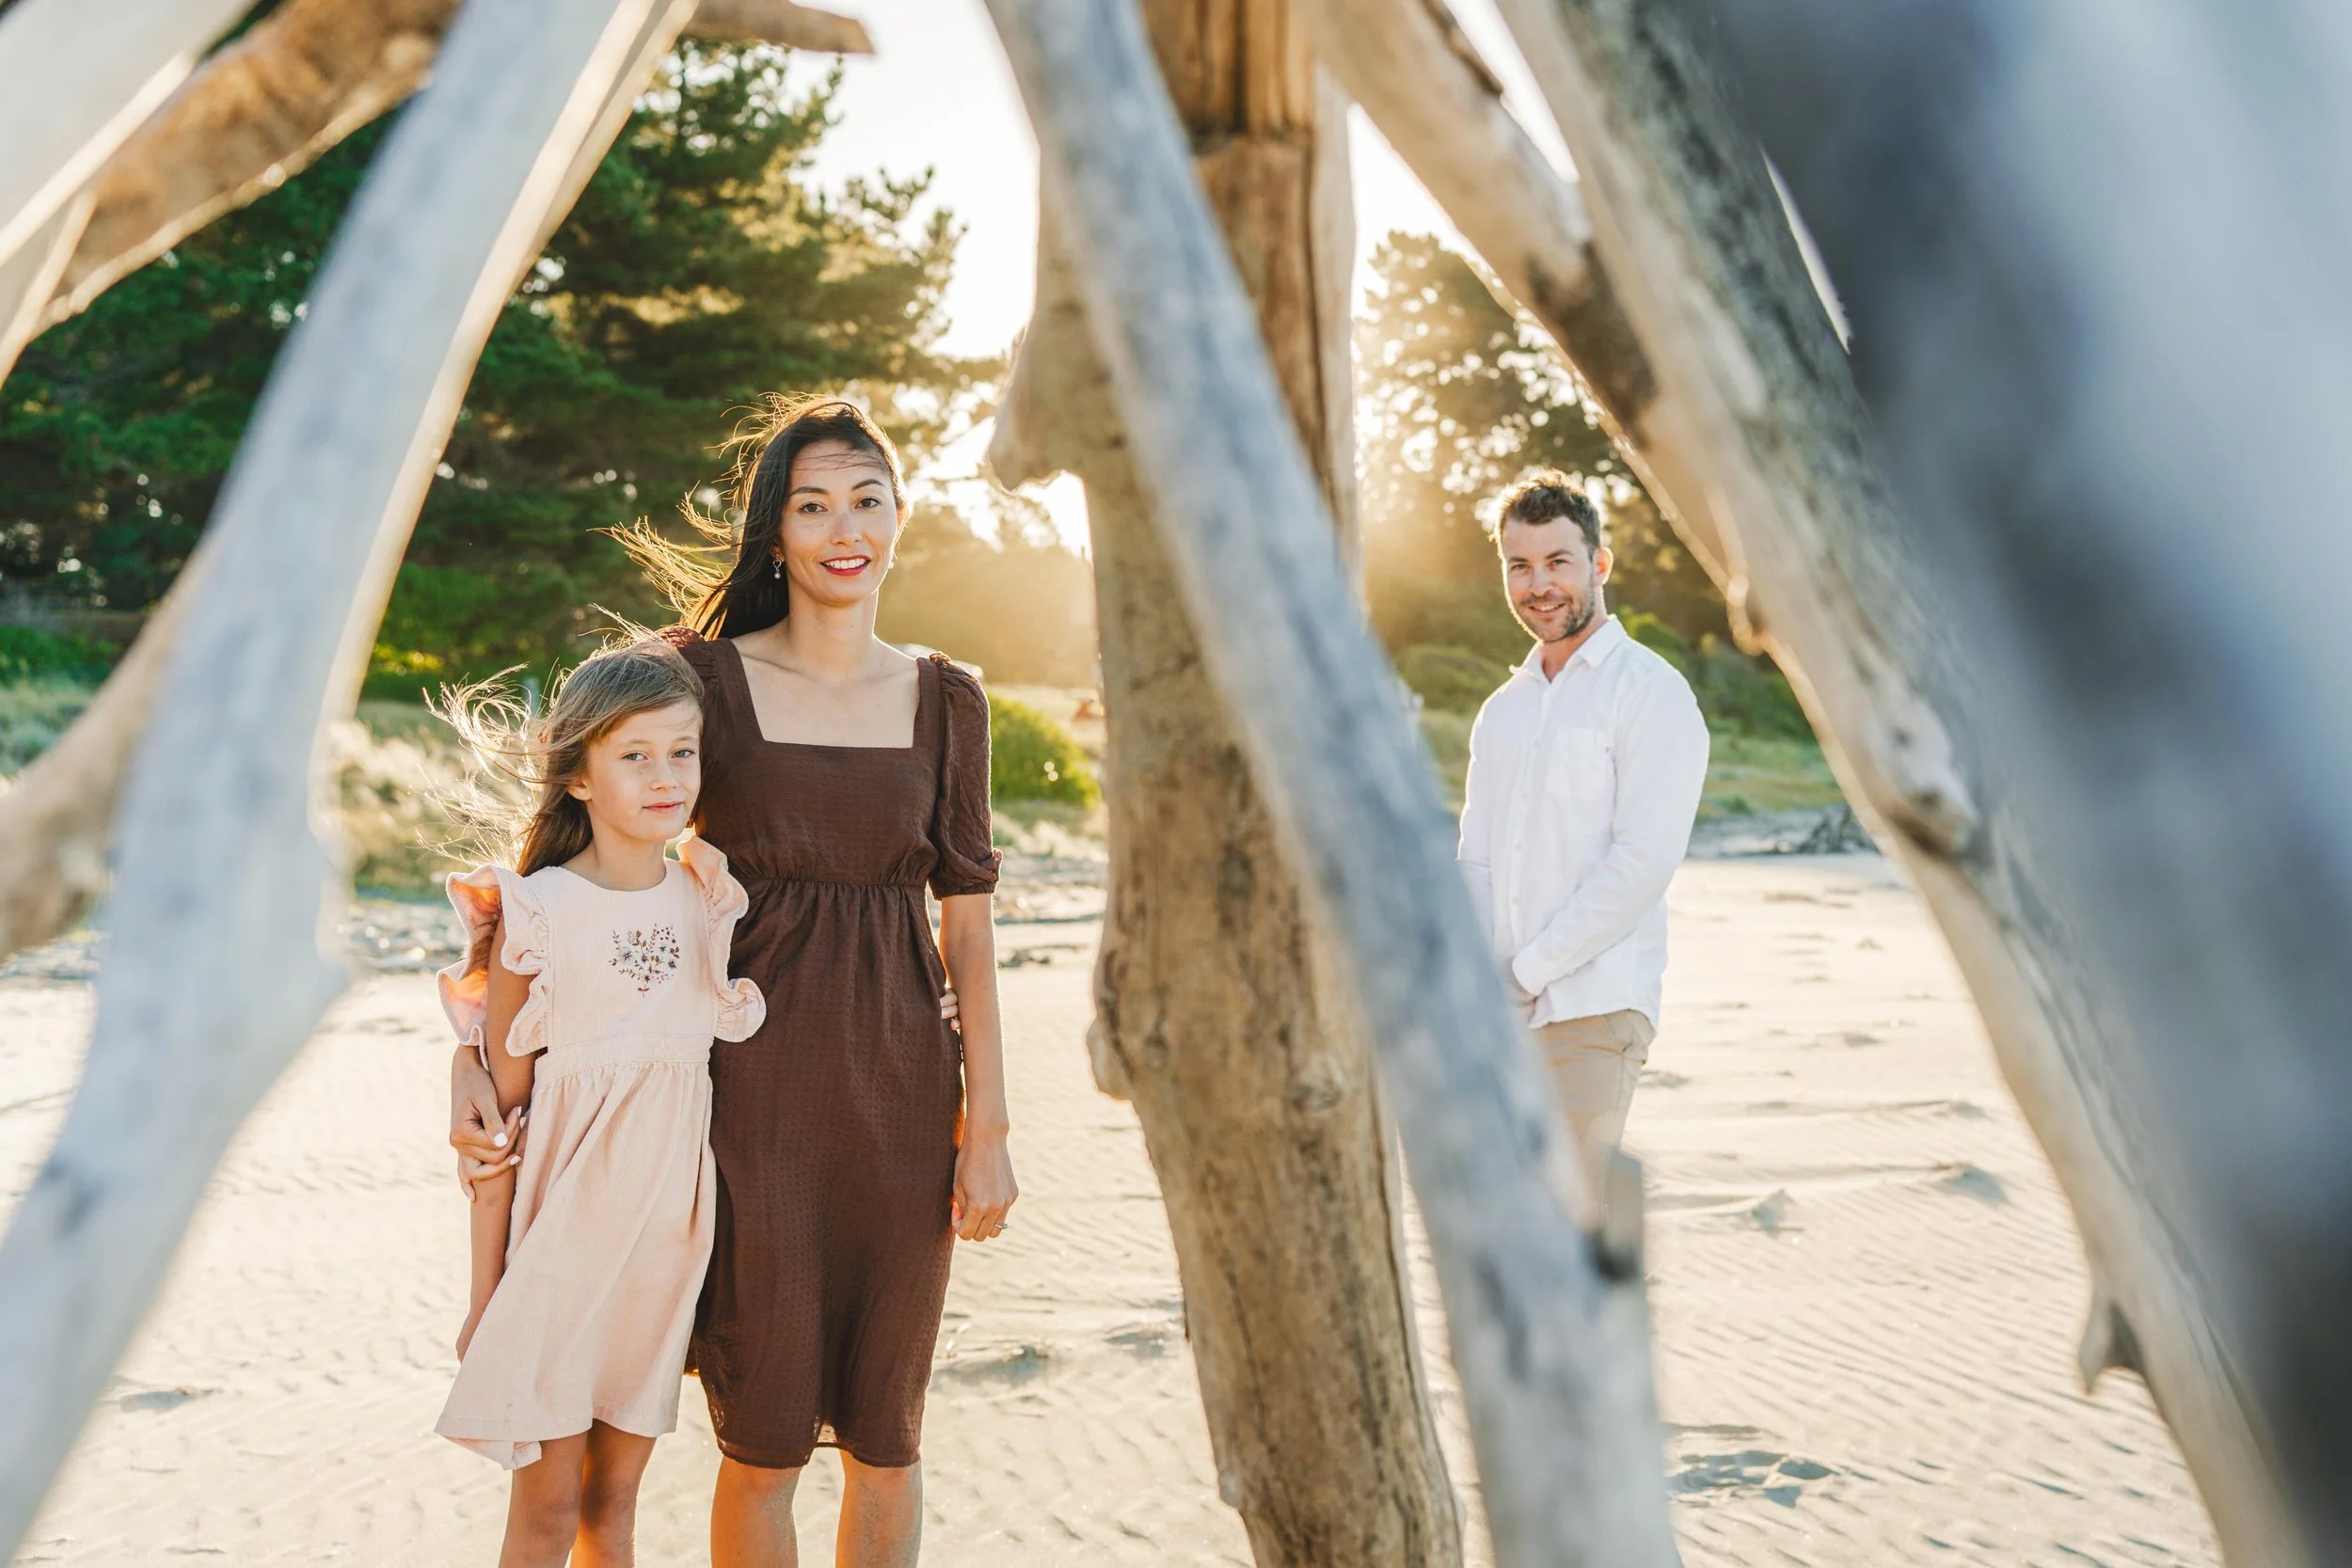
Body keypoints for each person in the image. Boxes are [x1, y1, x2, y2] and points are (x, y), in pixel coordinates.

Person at [449, 395, 1014, 1568]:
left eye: (867, 498)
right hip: (740, 1108)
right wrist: (472, 1050)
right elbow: (573, 852)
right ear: (775, 531)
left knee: (888, 1437)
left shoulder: (947, 698)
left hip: (906, 1102)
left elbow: (966, 928)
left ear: (901, 514)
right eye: (812, 504)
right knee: (761, 1441)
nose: (843, 527)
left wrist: (988, 1125)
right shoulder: (701, 681)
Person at [433, 636, 767, 1567]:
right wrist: (484, 1295)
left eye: (682, 751)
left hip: (663, 1250)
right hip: (557, 1256)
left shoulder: (706, 895)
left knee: (612, 1507)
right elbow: (493, 1137)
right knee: (543, 1514)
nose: (666, 776)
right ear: (577, 775)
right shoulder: (539, 914)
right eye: (634, 755)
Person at [1457, 473, 1709, 1208]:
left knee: (1567, 1239)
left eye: (1558, 562)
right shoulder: (1503, 710)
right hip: (1501, 1021)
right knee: (1504, 1235)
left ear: (1599, 565)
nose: (1539, 584)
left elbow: (1642, 862)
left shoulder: (1650, 691)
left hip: (1593, 1012)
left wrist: (1529, 968)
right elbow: (1475, 858)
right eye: (1520, 565)